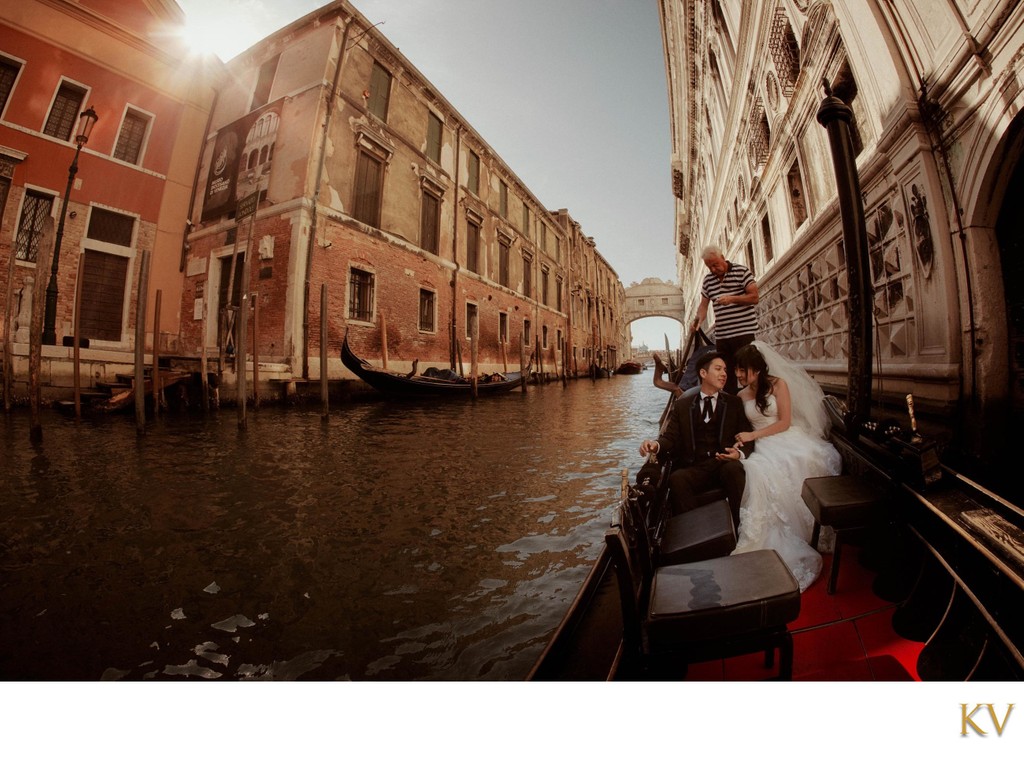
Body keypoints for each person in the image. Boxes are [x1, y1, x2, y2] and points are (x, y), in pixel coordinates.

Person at [729, 342, 842, 591]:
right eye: (736, 370)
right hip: (762, 445)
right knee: (761, 472)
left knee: (804, 459)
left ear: (756, 370)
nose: (737, 375)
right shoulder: (740, 396)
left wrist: (753, 436)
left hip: (785, 437)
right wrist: (743, 441)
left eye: (742, 370)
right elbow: (743, 429)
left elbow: (784, 422)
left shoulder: (779, 384)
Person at [639, 352, 753, 522]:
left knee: (734, 469)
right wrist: (655, 445)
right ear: (703, 373)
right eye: (718, 369)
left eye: (725, 370)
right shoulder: (683, 405)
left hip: (723, 464)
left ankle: (738, 524)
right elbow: (670, 437)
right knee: (677, 479)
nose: (724, 374)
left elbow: (747, 436)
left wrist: (738, 454)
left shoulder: (733, 403)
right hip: (695, 466)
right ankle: (693, 527)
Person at [691, 245, 759, 394]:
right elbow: (703, 306)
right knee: (725, 375)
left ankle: (751, 406)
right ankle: (731, 409)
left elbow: (754, 297)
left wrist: (732, 299)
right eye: (710, 267)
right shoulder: (708, 281)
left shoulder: (741, 271)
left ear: (722, 257)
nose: (713, 269)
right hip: (722, 336)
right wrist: (697, 321)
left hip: (744, 333)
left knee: (747, 372)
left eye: (715, 264)